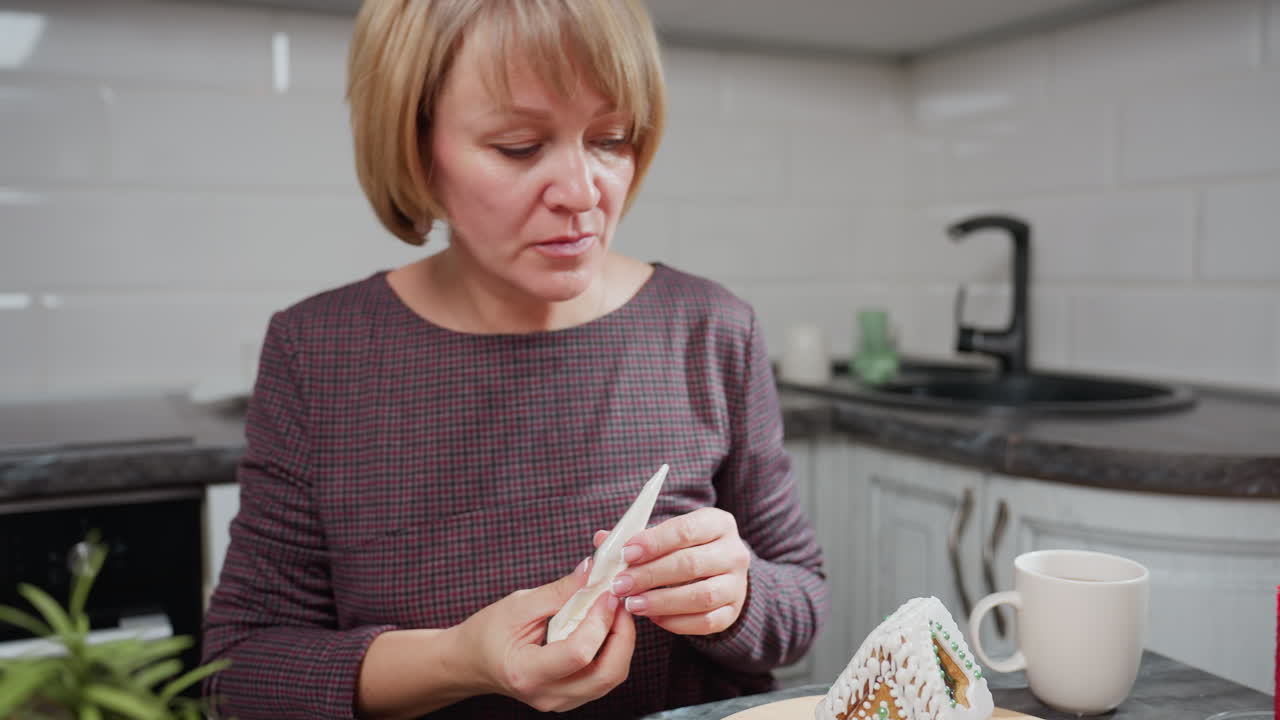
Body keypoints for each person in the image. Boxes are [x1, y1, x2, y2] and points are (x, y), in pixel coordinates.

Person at [200, 1, 828, 718]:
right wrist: (456, 661)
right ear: (416, 144)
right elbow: (240, 672)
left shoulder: (711, 329)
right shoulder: (320, 352)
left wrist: (738, 595)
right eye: (519, 147)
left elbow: (803, 599)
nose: (582, 193)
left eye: (612, 138)